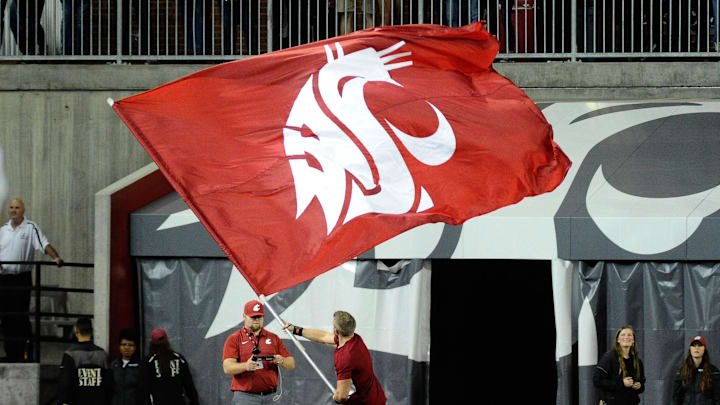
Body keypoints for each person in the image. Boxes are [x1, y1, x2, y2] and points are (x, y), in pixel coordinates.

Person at [0, 198, 63, 362]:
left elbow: (44, 243)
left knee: (21, 315)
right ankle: (11, 353)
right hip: (4, 278)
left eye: (17, 207)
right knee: (6, 317)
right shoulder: (3, 230)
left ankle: (23, 352)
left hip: (21, 278)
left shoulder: (30, 227)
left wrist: (55, 257)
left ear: (23, 210)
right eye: (11, 207)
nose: (13, 210)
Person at [284, 311, 386, 405]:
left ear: (336, 331)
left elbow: (341, 396)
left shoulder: (345, 357)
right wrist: (295, 329)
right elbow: (323, 337)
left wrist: (336, 397)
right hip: (376, 397)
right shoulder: (355, 339)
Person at [222, 299, 295, 404]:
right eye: (253, 317)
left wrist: (282, 360)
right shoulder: (234, 338)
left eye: (259, 317)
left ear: (263, 317)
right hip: (245, 397)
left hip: (271, 396)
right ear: (244, 316)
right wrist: (245, 366)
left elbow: (291, 364)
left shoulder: (273, 338)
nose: (256, 319)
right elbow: (227, 367)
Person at [58, 317, 114, 405]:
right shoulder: (102, 354)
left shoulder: (70, 354)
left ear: (76, 330)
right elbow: (109, 385)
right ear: (92, 331)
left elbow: (65, 385)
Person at [138, 328, 199, 405]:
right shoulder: (179, 359)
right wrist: (194, 402)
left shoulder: (148, 361)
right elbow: (189, 385)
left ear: (152, 343)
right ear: (167, 341)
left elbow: (143, 388)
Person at [593, 325, 645, 405]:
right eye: (623, 335)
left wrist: (639, 386)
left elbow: (641, 383)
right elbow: (597, 380)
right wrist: (621, 383)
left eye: (629, 335)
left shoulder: (637, 361)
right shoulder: (609, 358)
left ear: (633, 341)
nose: (626, 337)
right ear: (618, 340)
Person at [672, 335, 720, 405]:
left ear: (704, 349)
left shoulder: (713, 371)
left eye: (700, 345)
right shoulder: (682, 371)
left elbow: (718, 397)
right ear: (690, 349)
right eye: (694, 345)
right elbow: (676, 397)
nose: (696, 348)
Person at [111, 328, 142, 405]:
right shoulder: (113, 365)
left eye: (130, 345)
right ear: (119, 346)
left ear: (135, 347)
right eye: (124, 344)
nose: (127, 347)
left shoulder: (140, 366)